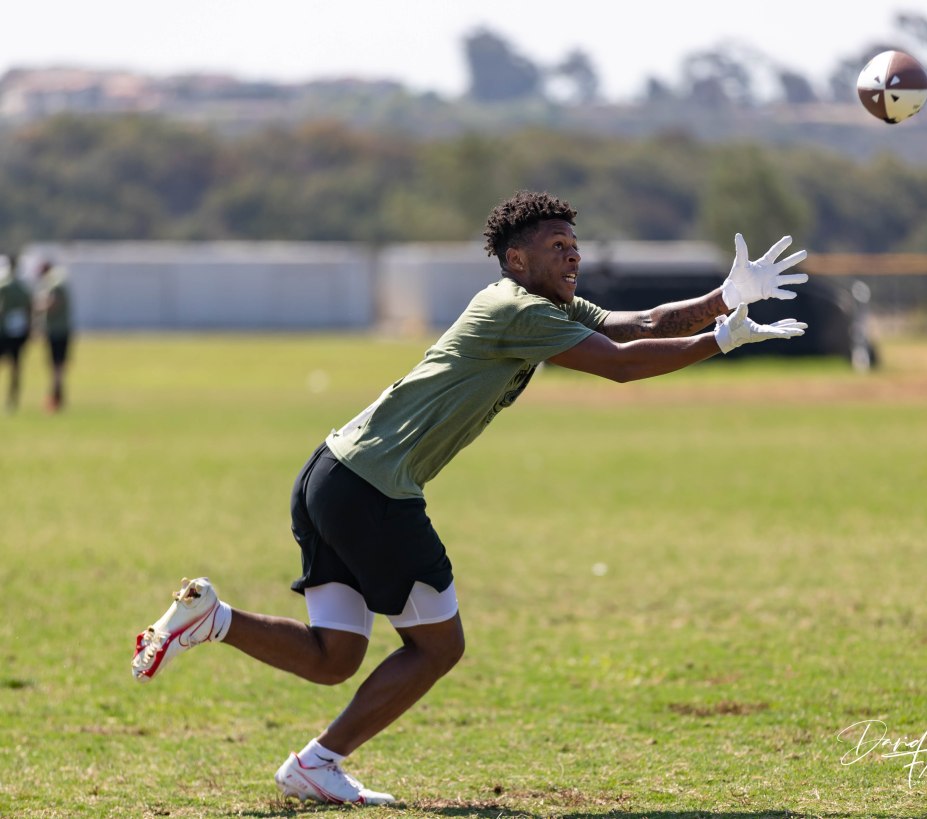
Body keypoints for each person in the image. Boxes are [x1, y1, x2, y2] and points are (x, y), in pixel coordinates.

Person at [131, 190, 808, 806]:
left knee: (334, 656)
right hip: (371, 488)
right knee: (437, 646)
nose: (573, 256)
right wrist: (720, 341)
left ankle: (215, 620)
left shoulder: (542, 306)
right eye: (557, 247)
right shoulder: (519, 309)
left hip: (330, 474)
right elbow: (622, 365)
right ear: (517, 259)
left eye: (575, 246)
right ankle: (317, 762)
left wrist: (724, 296)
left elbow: (638, 325)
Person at [34, 261, 74, 412]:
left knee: (56, 366)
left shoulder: (54, 284)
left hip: (56, 331)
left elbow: (53, 304)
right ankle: (57, 396)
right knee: (58, 366)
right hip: (62, 330)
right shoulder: (59, 282)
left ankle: (56, 397)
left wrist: (37, 307)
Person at [0, 256, 33, 412]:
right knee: (15, 367)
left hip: (3, 331)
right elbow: (29, 309)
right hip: (19, 332)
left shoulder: (4, 285)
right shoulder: (22, 287)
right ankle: (12, 399)